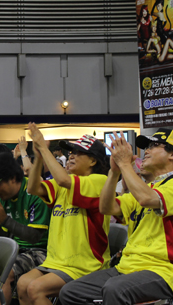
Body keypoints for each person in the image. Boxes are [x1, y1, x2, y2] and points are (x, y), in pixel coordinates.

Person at [60, 128, 173, 305]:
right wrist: (114, 172)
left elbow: (146, 199)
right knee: (70, 292)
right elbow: (106, 207)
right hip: (126, 268)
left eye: (153, 145)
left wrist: (124, 165)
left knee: (115, 289)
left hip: (161, 271)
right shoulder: (149, 188)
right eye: (146, 146)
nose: (146, 151)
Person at [19, 124, 110, 305]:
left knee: (36, 288)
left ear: (93, 161)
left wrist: (44, 148)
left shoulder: (100, 181)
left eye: (78, 153)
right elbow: (33, 187)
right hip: (57, 261)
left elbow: (62, 179)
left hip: (85, 265)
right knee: (22, 284)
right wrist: (38, 158)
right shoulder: (64, 184)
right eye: (70, 152)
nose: (71, 156)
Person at [0, 152, 51, 305]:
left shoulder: (36, 193)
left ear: (12, 178)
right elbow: (5, 238)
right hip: (17, 250)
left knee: (2, 273)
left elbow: (35, 237)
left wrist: (4, 220)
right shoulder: (4, 198)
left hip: (42, 251)